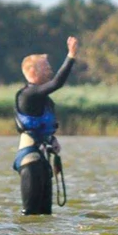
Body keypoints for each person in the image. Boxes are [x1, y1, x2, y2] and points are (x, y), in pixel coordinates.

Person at [13, 36, 79, 215]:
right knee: (31, 214)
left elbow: (41, 127)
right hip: (30, 160)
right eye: (46, 66)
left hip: (43, 160)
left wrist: (52, 140)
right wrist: (71, 55)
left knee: (45, 215)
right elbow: (57, 82)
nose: (50, 69)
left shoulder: (43, 99)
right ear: (33, 71)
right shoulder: (28, 95)